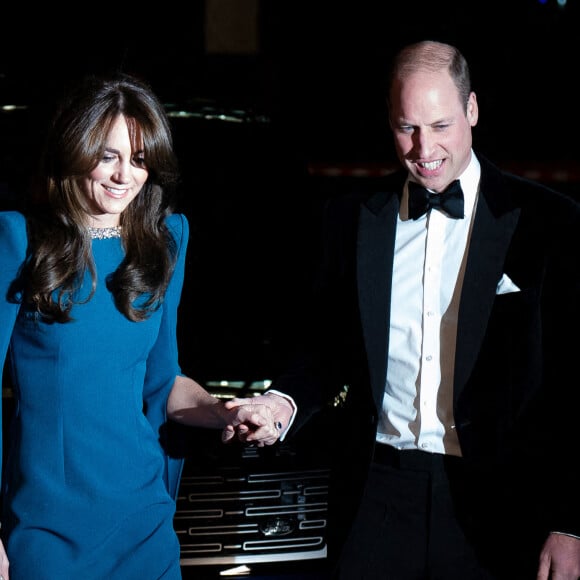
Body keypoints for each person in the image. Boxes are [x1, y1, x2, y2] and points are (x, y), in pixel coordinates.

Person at [226, 40, 580, 579]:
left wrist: (568, 522)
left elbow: (573, 388)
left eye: (440, 125)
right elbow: (325, 350)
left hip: (499, 502)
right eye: (406, 127)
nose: (423, 148)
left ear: (473, 110)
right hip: (377, 494)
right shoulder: (351, 220)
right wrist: (282, 403)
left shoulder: (549, 223)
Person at [0, 72, 282, 580]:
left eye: (139, 159)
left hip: (144, 525)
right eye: (107, 155)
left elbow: (162, 381)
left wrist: (225, 411)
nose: (123, 175)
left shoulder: (166, 241)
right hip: (47, 531)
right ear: (74, 147)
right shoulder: (18, 239)